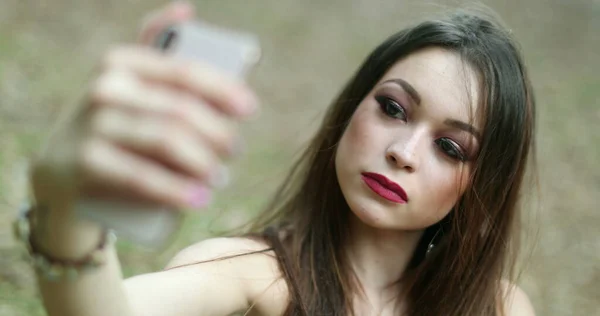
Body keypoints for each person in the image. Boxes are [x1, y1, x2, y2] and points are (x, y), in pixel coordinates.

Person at [21, 2, 537, 315]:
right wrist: (66, 209)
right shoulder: (252, 273)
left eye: (450, 148)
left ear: (483, 184)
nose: (403, 152)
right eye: (393, 108)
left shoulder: (499, 307)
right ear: (352, 106)